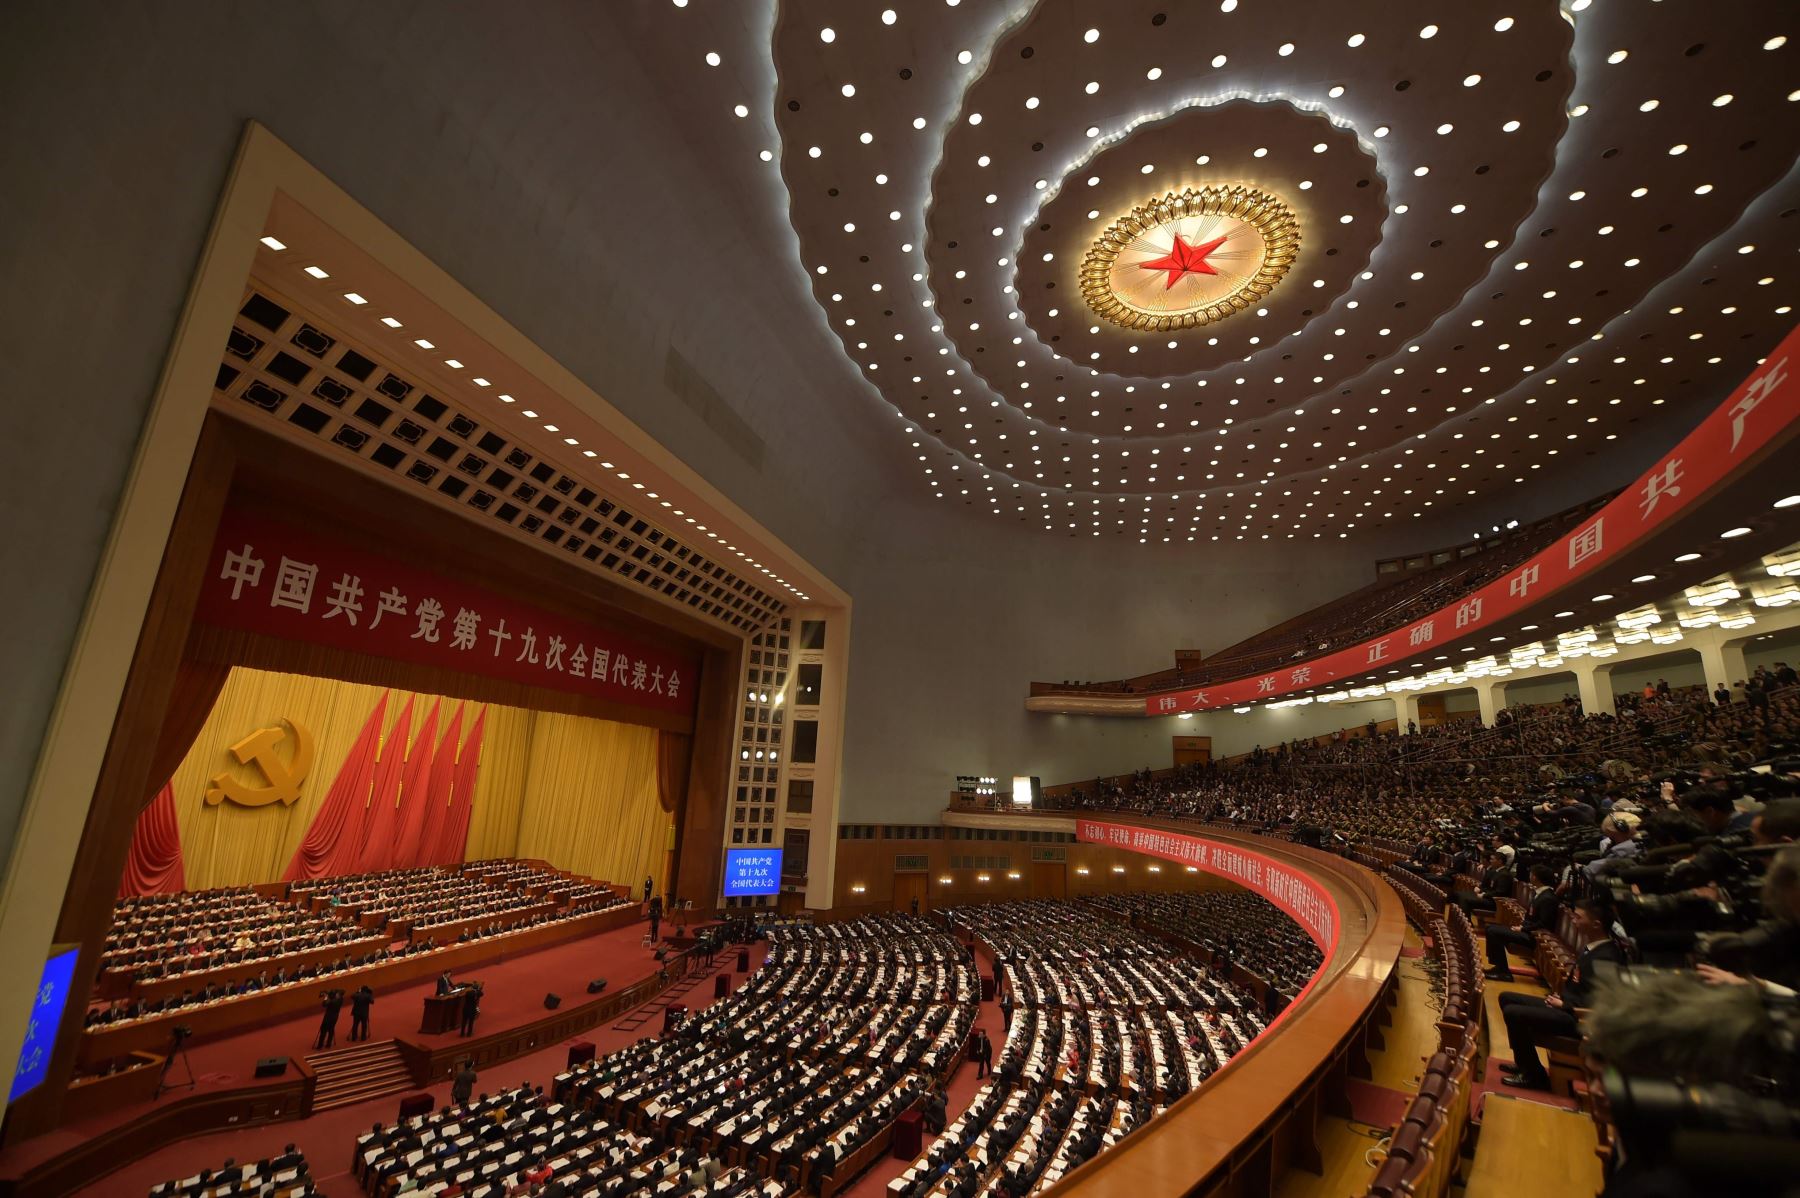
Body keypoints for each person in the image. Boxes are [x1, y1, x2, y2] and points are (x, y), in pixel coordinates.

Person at [1499, 899, 1620, 1091]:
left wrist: (1565, 1005)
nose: (1572, 920)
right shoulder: (1594, 948)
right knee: (1506, 997)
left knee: (1514, 1013)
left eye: (1578, 917)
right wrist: (1562, 997)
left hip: (1578, 1020)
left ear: (1596, 924)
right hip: (1568, 1006)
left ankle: (1533, 1076)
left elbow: (1603, 1002)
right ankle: (1524, 1064)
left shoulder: (1607, 957)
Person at [1484, 864, 1560, 982]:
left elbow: (1544, 924)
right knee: (1490, 928)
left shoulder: (1548, 898)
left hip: (1534, 936)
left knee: (1494, 931)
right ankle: (1498, 967)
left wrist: (1523, 929)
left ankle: (1503, 972)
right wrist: (1522, 926)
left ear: (1535, 877)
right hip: (1528, 930)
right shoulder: (1541, 893)